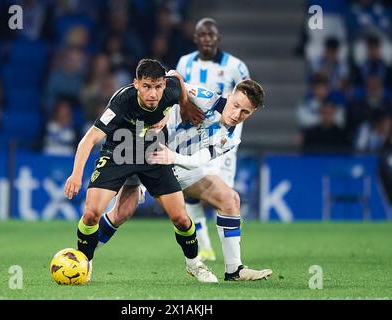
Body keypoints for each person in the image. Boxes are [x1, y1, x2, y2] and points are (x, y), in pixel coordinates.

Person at [98, 79, 273, 281]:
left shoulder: (231, 137)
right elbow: (171, 76)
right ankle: (83, 255)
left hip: (181, 164)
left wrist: (173, 158)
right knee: (121, 212)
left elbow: (201, 160)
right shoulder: (204, 98)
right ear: (230, 95)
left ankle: (234, 269)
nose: (236, 115)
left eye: (245, 112)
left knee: (230, 199)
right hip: (149, 153)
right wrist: (185, 102)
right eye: (235, 106)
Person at [64, 59, 218, 283]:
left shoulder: (171, 89)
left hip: (153, 153)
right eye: (147, 86)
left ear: (164, 85)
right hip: (119, 152)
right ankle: (85, 264)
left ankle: (194, 265)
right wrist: (76, 174)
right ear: (136, 83)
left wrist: (184, 105)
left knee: (181, 218)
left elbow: (178, 77)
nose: (153, 93)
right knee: (91, 214)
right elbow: (89, 139)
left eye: (158, 87)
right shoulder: (121, 101)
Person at [173, 18, 250, 262]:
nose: (207, 39)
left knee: (224, 194)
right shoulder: (185, 62)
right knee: (192, 189)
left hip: (222, 141)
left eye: (211, 35)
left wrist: (230, 132)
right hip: (192, 135)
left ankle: (228, 249)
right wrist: (185, 106)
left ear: (218, 38)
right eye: (202, 35)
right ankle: (205, 245)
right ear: (195, 38)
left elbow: (247, 100)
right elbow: (178, 88)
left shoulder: (236, 67)